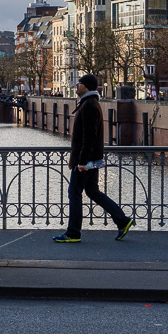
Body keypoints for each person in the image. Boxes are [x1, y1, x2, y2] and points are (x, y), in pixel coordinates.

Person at [52, 74, 134, 243]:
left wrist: (82, 162)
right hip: (92, 159)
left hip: (86, 161)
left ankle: (73, 233)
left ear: (87, 87)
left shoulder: (89, 105)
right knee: (92, 191)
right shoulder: (90, 103)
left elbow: (89, 137)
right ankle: (122, 220)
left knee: (74, 193)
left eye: (79, 83)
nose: (76, 85)